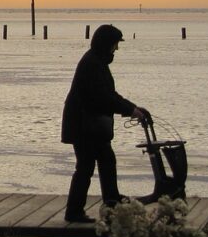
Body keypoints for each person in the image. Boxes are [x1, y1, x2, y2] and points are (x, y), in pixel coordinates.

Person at [60, 24, 149, 223]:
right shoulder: (93, 64)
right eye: (115, 44)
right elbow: (103, 98)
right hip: (84, 125)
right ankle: (78, 211)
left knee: (104, 161)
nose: (116, 49)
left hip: (87, 125)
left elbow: (109, 95)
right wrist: (131, 110)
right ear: (106, 44)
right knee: (87, 167)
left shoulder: (96, 61)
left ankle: (110, 201)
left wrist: (133, 108)